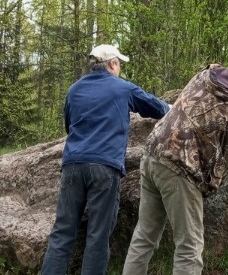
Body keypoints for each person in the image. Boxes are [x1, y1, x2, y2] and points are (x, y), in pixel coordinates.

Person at [121, 58, 228, 275]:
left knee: (144, 236)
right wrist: (210, 188)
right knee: (190, 246)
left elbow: (203, 114)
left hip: (152, 154)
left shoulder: (208, 75)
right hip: (180, 168)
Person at [40, 44, 170, 275]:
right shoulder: (123, 89)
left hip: (72, 165)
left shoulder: (74, 90)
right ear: (112, 64)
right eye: (119, 63)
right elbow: (158, 108)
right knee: (98, 237)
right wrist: (178, 107)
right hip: (105, 167)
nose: (119, 68)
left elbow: (69, 126)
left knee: (62, 233)